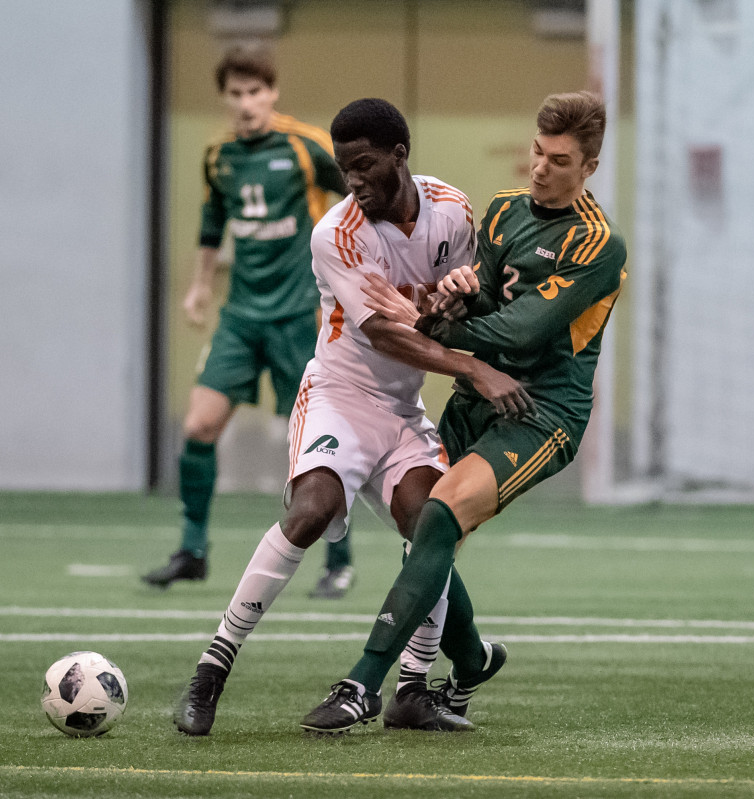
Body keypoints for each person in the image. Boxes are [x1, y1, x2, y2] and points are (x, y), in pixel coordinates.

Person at [173, 97, 534, 736]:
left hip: (401, 409)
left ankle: (414, 689)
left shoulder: (452, 209)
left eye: (365, 166)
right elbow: (387, 337)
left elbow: (448, 311)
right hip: (339, 392)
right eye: (345, 170)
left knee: (432, 525)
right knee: (311, 509)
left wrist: (456, 301)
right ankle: (212, 668)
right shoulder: (336, 234)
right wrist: (474, 368)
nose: (355, 182)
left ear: (401, 154)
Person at [301, 90, 627, 733]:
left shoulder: (597, 244)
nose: (540, 167)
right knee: (425, 529)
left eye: (559, 160)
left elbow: (520, 333)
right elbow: (473, 306)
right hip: (478, 397)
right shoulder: (504, 213)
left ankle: (362, 685)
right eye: (537, 151)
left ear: (588, 166)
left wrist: (422, 322)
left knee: (442, 515)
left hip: (540, 411)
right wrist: (450, 294)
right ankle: (464, 665)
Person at [142, 44, 356, 597]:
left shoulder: (307, 147)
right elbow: (212, 225)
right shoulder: (219, 156)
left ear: (273, 91)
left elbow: (364, 197)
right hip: (240, 316)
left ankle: (340, 560)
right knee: (199, 426)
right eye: (235, 93)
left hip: (298, 316)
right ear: (225, 97)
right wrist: (197, 287)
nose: (246, 103)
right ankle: (192, 549)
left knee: (316, 443)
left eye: (255, 91)